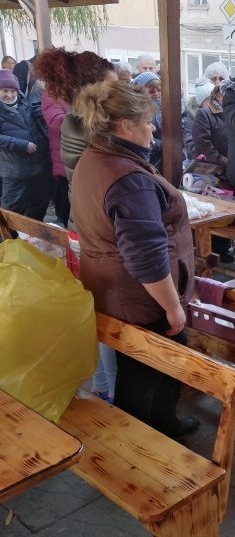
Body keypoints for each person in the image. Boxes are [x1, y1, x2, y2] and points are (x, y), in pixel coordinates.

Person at [70, 80, 199, 440]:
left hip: (111, 287)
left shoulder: (96, 157)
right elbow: (146, 256)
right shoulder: (129, 179)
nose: (153, 127)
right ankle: (139, 445)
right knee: (145, 373)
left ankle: (162, 425)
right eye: (147, 121)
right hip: (142, 299)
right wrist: (172, 307)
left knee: (146, 368)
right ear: (125, 125)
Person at [34, 48, 117, 227]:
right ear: (90, 90)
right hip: (94, 219)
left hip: (89, 215)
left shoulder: (86, 118)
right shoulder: (84, 124)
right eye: (112, 87)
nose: (118, 93)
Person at [0, 69, 51, 220]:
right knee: (11, 207)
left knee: (39, 202)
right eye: (4, 90)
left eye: (12, 91)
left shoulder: (24, 103)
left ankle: (30, 236)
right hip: (14, 169)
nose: (9, 95)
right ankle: (6, 240)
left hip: (38, 165)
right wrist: (21, 144)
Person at [131, 71, 163, 170]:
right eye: (152, 91)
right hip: (150, 161)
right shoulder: (138, 112)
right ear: (140, 93)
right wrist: (164, 145)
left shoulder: (163, 108)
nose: (157, 94)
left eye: (159, 90)